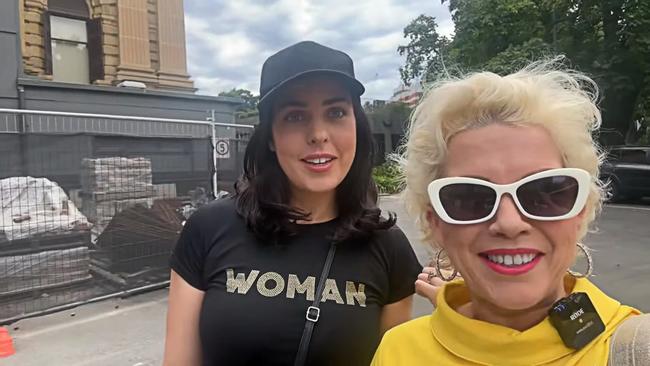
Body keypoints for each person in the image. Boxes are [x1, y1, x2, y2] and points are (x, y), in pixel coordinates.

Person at [163, 40, 422, 366]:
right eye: (295, 116)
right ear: (270, 136)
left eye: (337, 112)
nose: (318, 134)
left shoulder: (389, 249)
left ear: (357, 124)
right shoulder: (208, 229)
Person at [371, 60, 644, 365]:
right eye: (470, 198)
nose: (509, 223)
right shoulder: (399, 352)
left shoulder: (637, 349)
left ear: (580, 208)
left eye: (544, 192)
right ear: (435, 222)